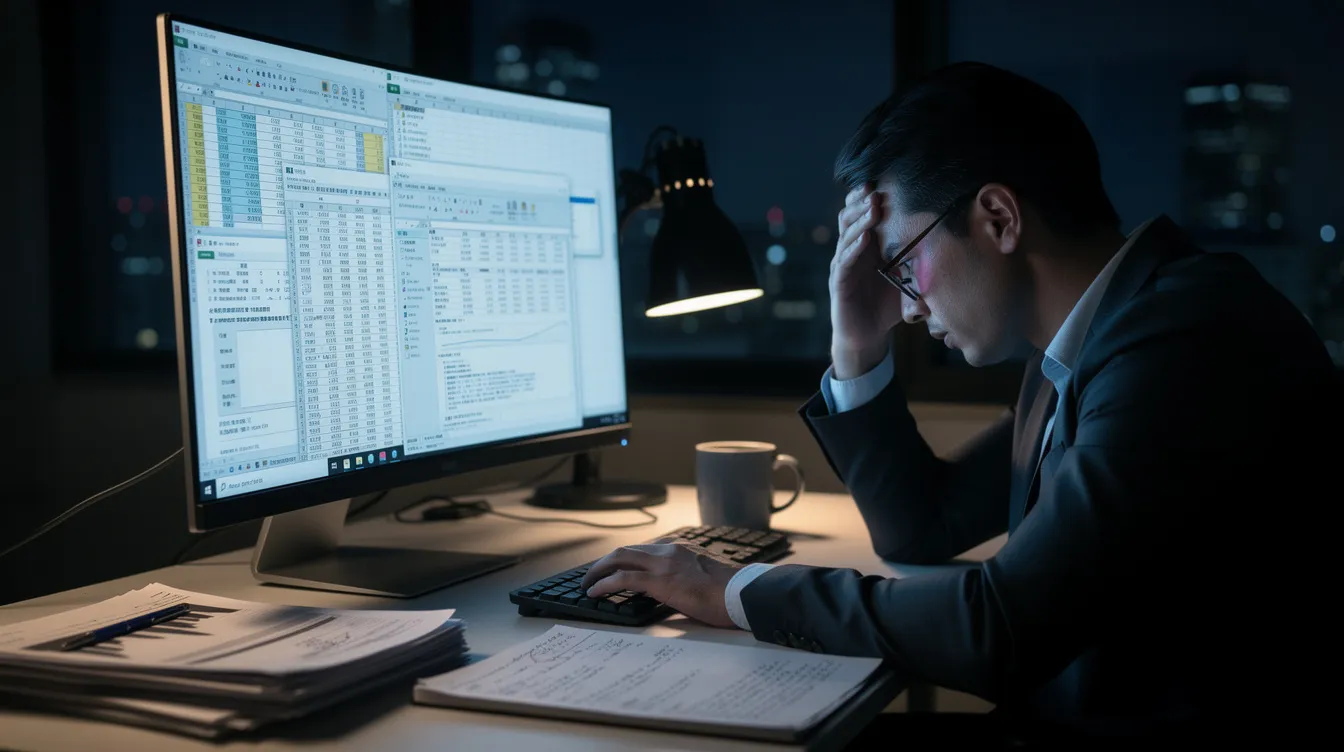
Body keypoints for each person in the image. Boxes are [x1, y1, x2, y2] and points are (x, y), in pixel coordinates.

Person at [581, 62, 1340, 746]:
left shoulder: (1184, 344)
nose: (906, 306)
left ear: (1000, 218)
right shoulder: (1092, 341)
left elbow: (1001, 625)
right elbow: (922, 525)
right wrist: (857, 348)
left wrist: (732, 589)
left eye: (904, 265)